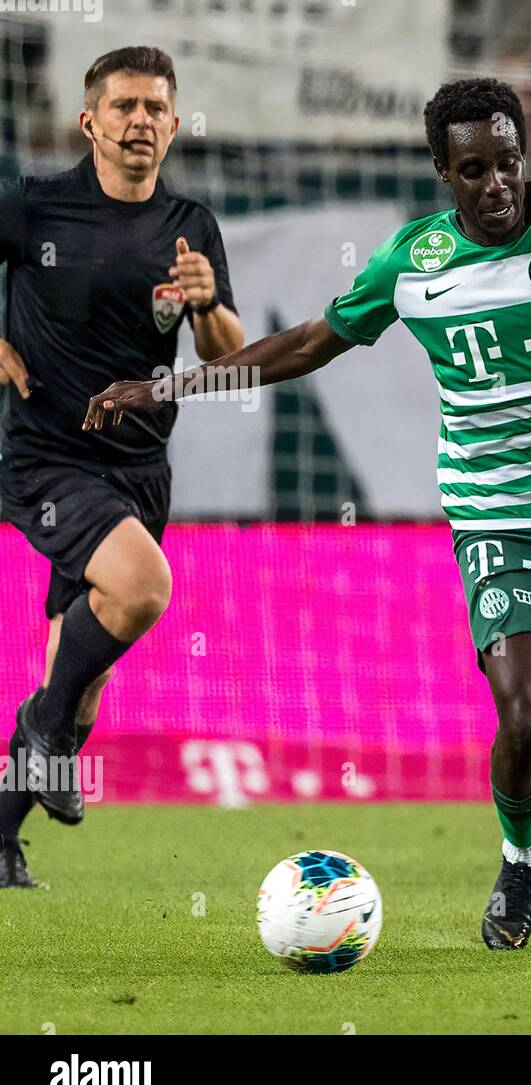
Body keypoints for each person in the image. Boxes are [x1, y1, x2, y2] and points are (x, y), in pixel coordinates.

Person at [83, 78, 531, 951]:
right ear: (443, 170)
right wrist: (171, 385)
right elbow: (311, 343)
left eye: (509, 162)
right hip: (500, 521)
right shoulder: (413, 263)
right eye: (475, 169)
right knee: (526, 716)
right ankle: (520, 855)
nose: (498, 184)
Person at [0, 46, 243, 889]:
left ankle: (4, 827)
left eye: (154, 109)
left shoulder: (191, 226)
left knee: (84, 676)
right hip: (44, 456)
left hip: (140, 468)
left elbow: (229, 359)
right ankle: (45, 729)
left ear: (174, 125)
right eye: (124, 106)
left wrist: (208, 303)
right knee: (144, 589)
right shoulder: (35, 207)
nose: (140, 121)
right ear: (90, 121)